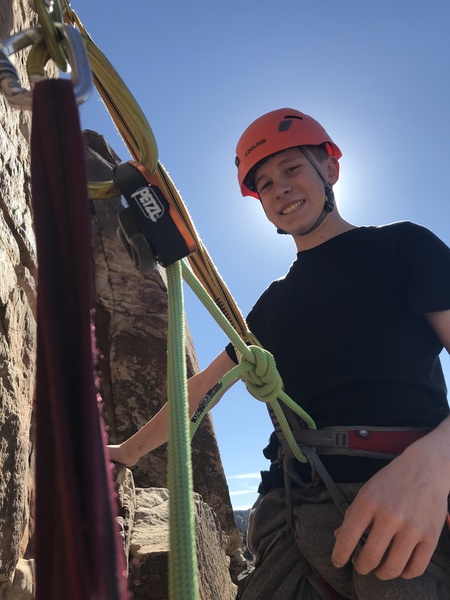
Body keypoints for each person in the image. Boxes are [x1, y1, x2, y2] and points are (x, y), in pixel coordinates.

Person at [108, 108, 450, 599]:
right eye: (265, 184)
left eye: (291, 169)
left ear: (329, 170)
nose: (280, 189)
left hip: (403, 490)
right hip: (293, 511)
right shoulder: (270, 307)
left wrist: (436, 463)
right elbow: (202, 390)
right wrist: (126, 454)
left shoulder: (404, 247)